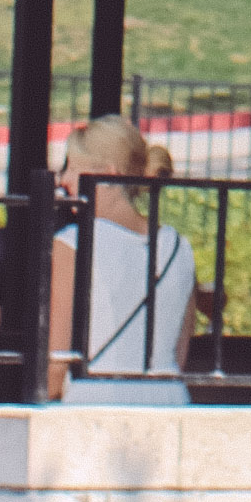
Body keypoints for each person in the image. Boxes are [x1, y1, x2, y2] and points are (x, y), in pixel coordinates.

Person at [45, 113, 197, 405]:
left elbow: (56, 361)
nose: (63, 180)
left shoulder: (72, 244)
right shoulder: (178, 246)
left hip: (98, 400)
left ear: (107, 174)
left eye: (72, 168)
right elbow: (179, 353)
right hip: (169, 400)